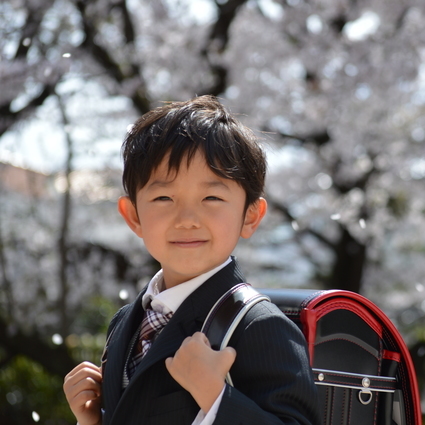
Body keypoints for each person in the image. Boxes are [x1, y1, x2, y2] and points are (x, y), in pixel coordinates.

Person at [63, 96, 320, 425]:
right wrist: (93, 421)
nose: (187, 219)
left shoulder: (258, 326)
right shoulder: (124, 323)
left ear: (251, 216)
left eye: (212, 197)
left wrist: (217, 398)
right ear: (133, 216)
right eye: (163, 197)